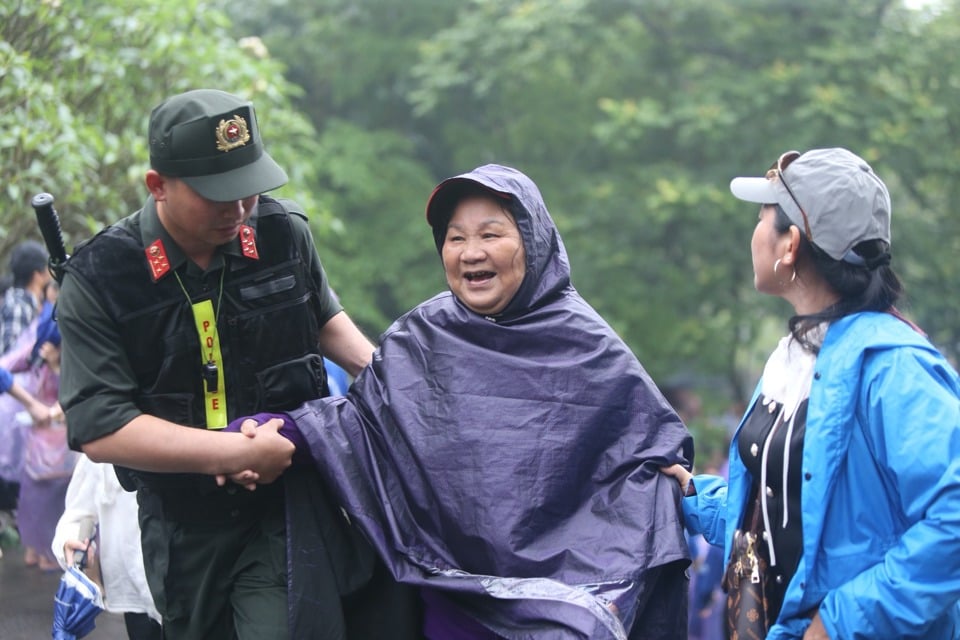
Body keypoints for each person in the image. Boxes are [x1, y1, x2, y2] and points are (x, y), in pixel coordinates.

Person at [231, 164, 694, 639]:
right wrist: (257, 433)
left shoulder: (588, 345)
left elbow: (649, 449)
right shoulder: (421, 339)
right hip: (455, 607)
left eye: (491, 234)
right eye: (456, 238)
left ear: (532, 242)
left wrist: (670, 482)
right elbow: (358, 426)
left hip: (567, 609)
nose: (472, 253)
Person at [56, 89, 416, 640]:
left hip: (285, 509)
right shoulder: (102, 276)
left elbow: (326, 322)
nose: (239, 208)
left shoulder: (280, 235)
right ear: (159, 186)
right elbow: (100, 427)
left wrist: (402, 390)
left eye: (248, 189)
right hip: (182, 522)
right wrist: (229, 452)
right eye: (217, 195)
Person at [661, 148, 960, 639]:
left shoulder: (893, 365)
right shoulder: (793, 358)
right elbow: (781, 520)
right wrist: (692, 496)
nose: (753, 233)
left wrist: (839, 623)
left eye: (762, 218)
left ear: (790, 243)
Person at [52, 454, 162, 639]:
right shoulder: (103, 449)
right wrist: (70, 541)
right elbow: (77, 514)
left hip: (191, 589)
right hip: (135, 592)